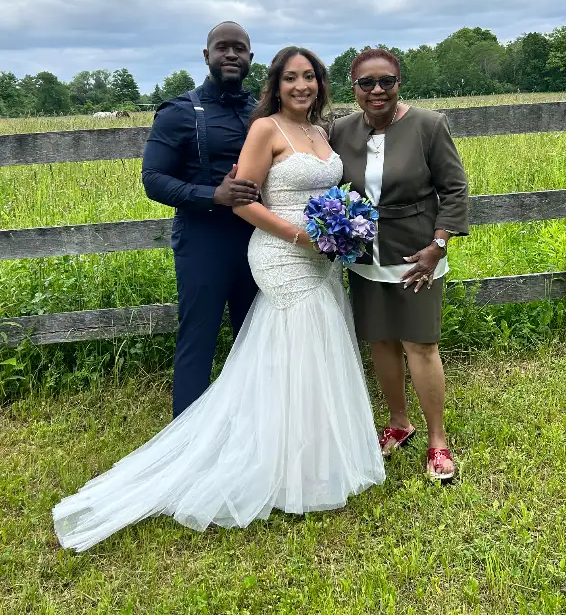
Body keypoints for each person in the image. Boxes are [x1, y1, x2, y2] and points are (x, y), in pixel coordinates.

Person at [52, 47, 384, 552]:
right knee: (295, 343)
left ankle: (315, 458)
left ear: (320, 83)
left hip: (322, 257)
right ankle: (275, 464)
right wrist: (302, 237)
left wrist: (342, 227)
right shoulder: (265, 129)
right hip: (282, 253)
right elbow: (243, 203)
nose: (301, 85)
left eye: (310, 77)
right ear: (276, 85)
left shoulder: (321, 132)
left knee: (316, 349)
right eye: (291, 78)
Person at [329, 48, 469, 481]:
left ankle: (438, 440)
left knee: (420, 344)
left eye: (386, 81)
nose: (377, 90)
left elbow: (455, 188)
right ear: (353, 87)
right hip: (364, 255)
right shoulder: (340, 131)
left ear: (398, 83)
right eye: (366, 83)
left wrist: (438, 245)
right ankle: (398, 423)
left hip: (417, 255)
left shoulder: (429, 125)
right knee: (381, 340)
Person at [141, 22, 260, 417]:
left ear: (250, 58)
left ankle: (250, 423)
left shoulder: (263, 112)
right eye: (222, 47)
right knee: (198, 337)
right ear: (206, 55)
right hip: (203, 241)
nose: (231, 54)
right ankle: (187, 432)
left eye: (239, 48)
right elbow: (153, 178)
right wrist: (213, 195)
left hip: (259, 240)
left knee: (254, 336)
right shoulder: (178, 112)